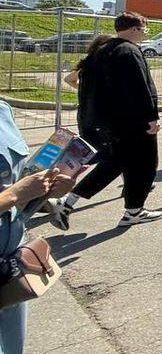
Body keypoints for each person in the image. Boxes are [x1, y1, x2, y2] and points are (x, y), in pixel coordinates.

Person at [45, 13, 162, 229]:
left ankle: (74, 202)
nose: (145, 33)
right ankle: (131, 211)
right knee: (144, 164)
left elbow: (85, 87)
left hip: (107, 121)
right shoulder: (129, 51)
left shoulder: (101, 51)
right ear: (135, 29)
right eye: (144, 29)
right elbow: (140, 88)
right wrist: (151, 117)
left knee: (118, 162)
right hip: (133, 121)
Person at [1, 100, 74, 354]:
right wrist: (13, 195)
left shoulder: (3, 111)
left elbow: (18, 182)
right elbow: (13, 192)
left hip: (10, 262)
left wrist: (47, 189)